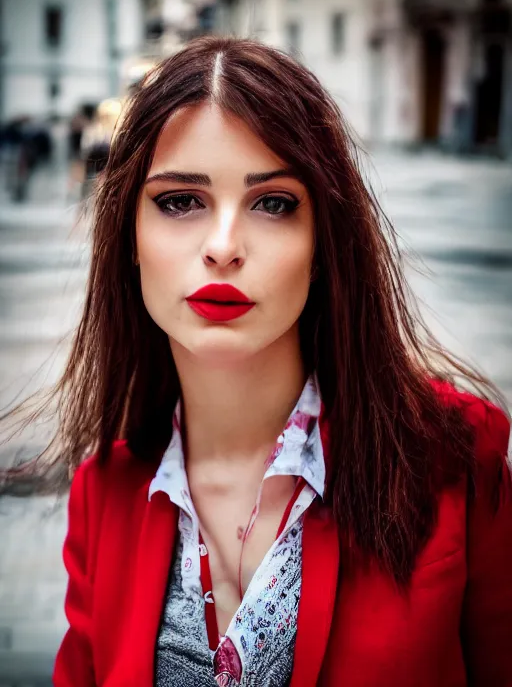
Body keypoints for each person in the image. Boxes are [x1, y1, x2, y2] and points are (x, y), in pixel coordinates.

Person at [23, 36, 509, 685]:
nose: (223, 247)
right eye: (179, 201)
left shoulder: (454, 460)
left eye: (273, 203)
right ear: (130, 238)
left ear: (322, 244)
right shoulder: (103, 496)